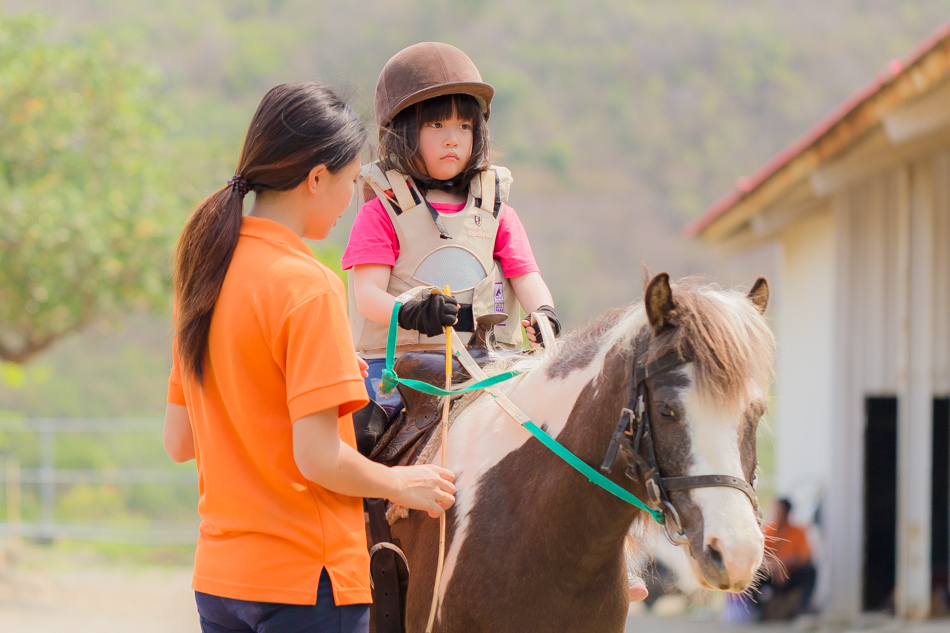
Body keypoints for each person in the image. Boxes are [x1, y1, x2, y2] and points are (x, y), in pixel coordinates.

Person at [163, 82, 456, 633]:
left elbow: (178, 442)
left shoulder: (204, 275)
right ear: (316, 178)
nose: (351, 203)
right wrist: (401, 485)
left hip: (221, 582)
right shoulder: (307, 286)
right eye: (350, 183)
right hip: (308, 580)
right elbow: (319, 458)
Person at [342, 42, 560, 421]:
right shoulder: (381, 212)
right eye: (436, 124)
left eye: (464, 126)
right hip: (398, 375)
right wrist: (409, 312)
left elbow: (527, 278)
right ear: (402, 133)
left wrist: (543, 315)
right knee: (361, 436)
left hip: (489, 369)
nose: (452, 139)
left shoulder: (498, 213)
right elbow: (367, 296)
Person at [757, 498, 818, 620]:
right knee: (754, 576)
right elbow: (759, 556)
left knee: (811, 571)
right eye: (776, 511)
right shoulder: (768, 531)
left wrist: (782, 566)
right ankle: (760, 611)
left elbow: (804, 556)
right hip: (773, 574)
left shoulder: (798, 531)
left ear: (788, 513)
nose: (778, 514)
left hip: (790, 574)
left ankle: (803, 610)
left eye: (781, 511)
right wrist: (776, 568)